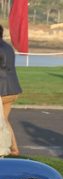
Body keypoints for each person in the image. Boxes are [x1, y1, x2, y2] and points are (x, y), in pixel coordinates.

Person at [0, 24, 22, 156]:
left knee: (1, 122)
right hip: (13, 89)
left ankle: (3, 148)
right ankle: (15, 148)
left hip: (2, 90)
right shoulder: (8, 47)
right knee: (5, 120)